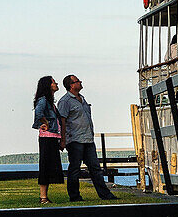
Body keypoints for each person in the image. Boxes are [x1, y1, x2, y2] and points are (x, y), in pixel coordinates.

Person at [56, 75, 117, 201]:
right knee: (75, 168)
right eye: (77, 81)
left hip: (88, 139)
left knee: (95, 168)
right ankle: (74, 196)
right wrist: (62, 140)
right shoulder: (65, 101)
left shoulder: (82, 99)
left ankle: (105, 195)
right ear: (71, 85)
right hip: (74, 140)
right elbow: (62, 121)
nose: (80, 82)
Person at [32, 76, 64, 205]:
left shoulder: (50, 102)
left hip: (52, 137)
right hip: (47, 137)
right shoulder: (43, 100)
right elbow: (39, 113)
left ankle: (45, 196)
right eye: (53, 82)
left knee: (51, 166)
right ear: (47, 85)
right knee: (45, 166)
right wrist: (45, 123)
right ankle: (43, 197)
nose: (56, 83)